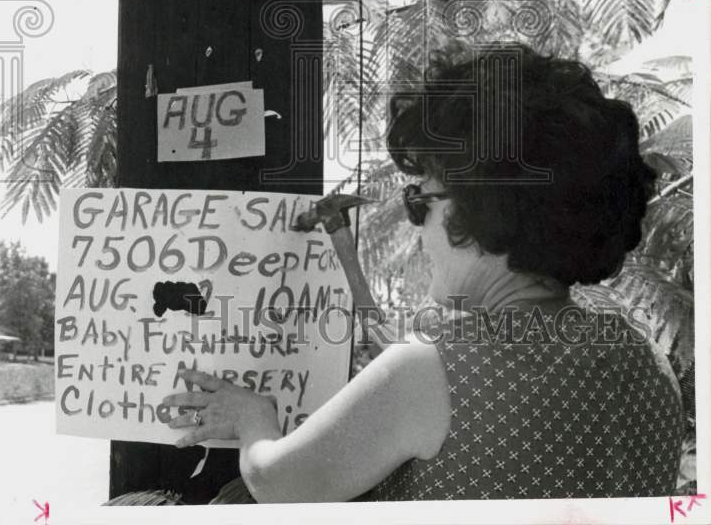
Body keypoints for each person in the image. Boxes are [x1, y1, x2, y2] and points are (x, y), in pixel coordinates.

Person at [160, 45, 685, 503]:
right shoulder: (644, 359)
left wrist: (253, 418)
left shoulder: (427, 374)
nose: (418, 229)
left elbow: (279, 482)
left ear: (481, 210)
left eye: (420, 200)